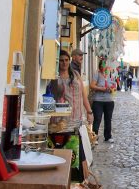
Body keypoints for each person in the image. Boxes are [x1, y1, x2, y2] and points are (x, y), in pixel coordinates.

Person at [48, 50, 93, 180]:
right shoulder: (54, 78)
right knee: (73, 153)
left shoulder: (76, 74)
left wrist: (89, 112)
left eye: (66, 60)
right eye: (61, 60)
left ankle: (82, 180)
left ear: (69, 61)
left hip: (77, 119)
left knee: (83, 152)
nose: (64, 63)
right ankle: (76, 180)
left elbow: (84, 95)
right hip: (62, 122)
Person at [91, 59, 117, 143]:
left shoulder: (111, 76)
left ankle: (108, 136)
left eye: (105, 65)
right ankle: (94, 137)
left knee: (108, 119)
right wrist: (101, 88)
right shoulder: (97, 75)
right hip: (98, 101)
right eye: (102, 65)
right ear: (100, 66)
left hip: (109, 101)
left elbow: (115, 86)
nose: (104, 67)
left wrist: (112, 88)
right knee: (97, 119)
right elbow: (92, 85)